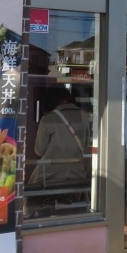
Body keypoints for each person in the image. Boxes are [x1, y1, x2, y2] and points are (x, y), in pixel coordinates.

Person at [25, 88, 91, 216]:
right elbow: (85, 145)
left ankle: (29, 215)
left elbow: (39, 151)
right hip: (77, 174)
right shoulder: (84, 116)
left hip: (49, 176)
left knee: (32, 184)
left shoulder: (49, 118)